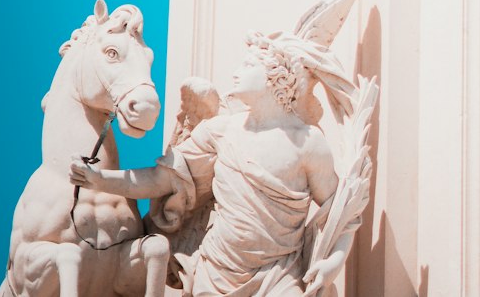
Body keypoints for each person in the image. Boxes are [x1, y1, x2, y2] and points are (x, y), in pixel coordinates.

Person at [69, 28, 356, 297]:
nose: (236, 73)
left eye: (248, 66)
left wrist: (335, 261)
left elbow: (341, 213)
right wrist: (100, 180)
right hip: (215, 274)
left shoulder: (308, 143)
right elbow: (162, 180)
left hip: (278, 277)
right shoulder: (220, 131)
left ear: (275, 76)